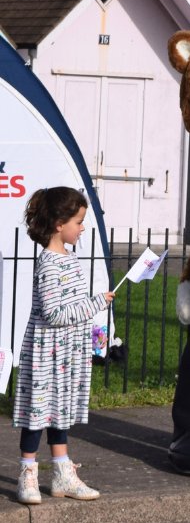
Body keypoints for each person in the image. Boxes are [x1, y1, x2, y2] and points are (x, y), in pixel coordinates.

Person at [13, 187, 115, 505]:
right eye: (79, 221)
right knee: (38, 413)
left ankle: (62, 473)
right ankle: (28, 472)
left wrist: (90, 314)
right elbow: (55, 313)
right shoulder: (49, 264)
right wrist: (94, 305)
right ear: (60, 224)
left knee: (60, 412)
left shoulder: (70, 258)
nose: (82, 228)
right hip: (47, 351)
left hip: (66, 352)